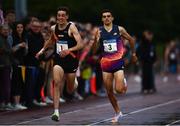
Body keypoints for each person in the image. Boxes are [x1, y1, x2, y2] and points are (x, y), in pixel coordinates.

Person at [36, 6, 83, 121]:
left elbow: (80, 44)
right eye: (59, 15)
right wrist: (42, 50)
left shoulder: (71, 27)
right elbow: (51, 40)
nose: (60, 17)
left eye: (63, 15)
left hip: (71, 60)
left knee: (70, 89)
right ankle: (56, 112)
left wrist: (69, 50)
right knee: (56, 82)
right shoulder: (53, 28)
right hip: (59, 60)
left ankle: (74, 83)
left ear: (67, 16)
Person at [92, 9, 137, 123]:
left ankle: (123, 83)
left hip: (117, 62)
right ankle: (117, 112)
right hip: (106, 63)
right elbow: (93, 51)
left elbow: (131, 40)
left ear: (112, 18)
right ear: (102, 19)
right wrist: (95, 41)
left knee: (119, 90)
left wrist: (133, 54)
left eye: (108, 16)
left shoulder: (119, 29)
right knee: (109, 92)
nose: (106, 18)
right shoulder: (99, 31)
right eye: (104, 16)